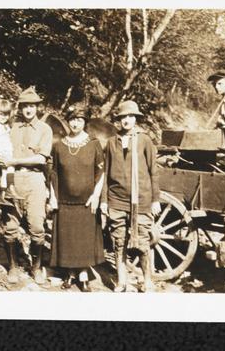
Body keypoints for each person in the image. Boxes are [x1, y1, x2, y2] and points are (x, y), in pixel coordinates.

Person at [100, 100, 161, 292]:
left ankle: (147, 280)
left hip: (141, 200)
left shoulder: (145, 140)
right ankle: (122, 281)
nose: (126, 120)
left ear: (135, 119)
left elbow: (153, 171)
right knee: (119, 242)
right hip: (116, 200)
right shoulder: (111, 143)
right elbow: (105, 173)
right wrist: (103, 201)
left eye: (130, 116)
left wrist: (155, 199)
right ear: (118, 120)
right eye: (123, 117)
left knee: (143, 242)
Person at [0, 86, 53, 284]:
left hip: (35, 180)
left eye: (32, 106)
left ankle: (36, 267)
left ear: (38, 108)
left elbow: (41, 159)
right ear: (20, 107)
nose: (28, 109)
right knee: (10, 226)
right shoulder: (12, 127)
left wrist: (14, 161)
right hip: (12, 178)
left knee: (37, 226)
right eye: (25, 106)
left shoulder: (45, 129)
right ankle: (13, 266)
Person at [49, 104, 106, 292]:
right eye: (72, 119)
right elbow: (54, 173)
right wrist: (53, 197)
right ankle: (71, 273)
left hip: (86, 202)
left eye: (79, 120)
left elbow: (101, 172)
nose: (75, 123)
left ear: (85, 122)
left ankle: (82, 274)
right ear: (68, 121)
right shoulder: (59, 146)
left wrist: (96, 195)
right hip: (65, 201)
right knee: (68, 239)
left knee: (83, 239)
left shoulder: (94, 144)